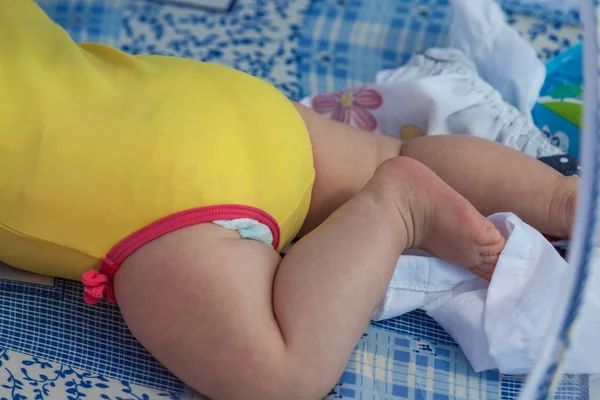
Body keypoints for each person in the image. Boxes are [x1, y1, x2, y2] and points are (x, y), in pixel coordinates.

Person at [1, 1, 577, 398]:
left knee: (278, 372)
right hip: (213, 106)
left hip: (159, 201)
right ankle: (561, 197)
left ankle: (397, 208)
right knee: (384, 155)